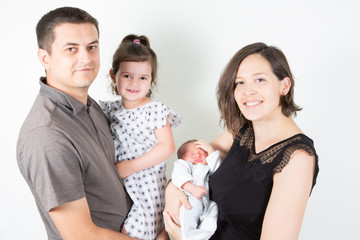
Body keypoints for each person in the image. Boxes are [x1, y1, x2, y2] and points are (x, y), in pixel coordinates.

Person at [163, 42, 319, 240]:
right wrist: (172, 189)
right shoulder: (242, 131)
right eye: (239, 83)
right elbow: (192, 164)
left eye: (259, 80)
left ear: (284, 85)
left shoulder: (298, 158)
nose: (247, 91)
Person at [16, 7, 143, 240]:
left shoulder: (91, 106)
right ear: (45, 58)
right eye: (71, 49)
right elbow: (83, 235)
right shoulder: (47, 136)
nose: (86, 58)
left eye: (92, 47)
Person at [99, 34, 181, 240]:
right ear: (113, 76)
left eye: (143, 77)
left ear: (151, 80)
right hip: (123, 185)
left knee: (133, 233)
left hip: (147, 183)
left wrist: (131, 166)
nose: (135, 83)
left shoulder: (153, 110)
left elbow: (167, 147)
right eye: (127, 76)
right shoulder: (112, 109)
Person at [171, 139, 221, 240]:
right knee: (189, 212)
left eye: (201, 153)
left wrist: (211, 153)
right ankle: (189, 235)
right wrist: (192, 188)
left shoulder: (206, 167)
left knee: (214, 207)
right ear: (182, 157)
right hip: (190, 198)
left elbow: (219, 171)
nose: (197, 155)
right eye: (192, 154)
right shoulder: (183, 164)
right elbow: (178, 176)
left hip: (206, 202)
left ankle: (205, 234)